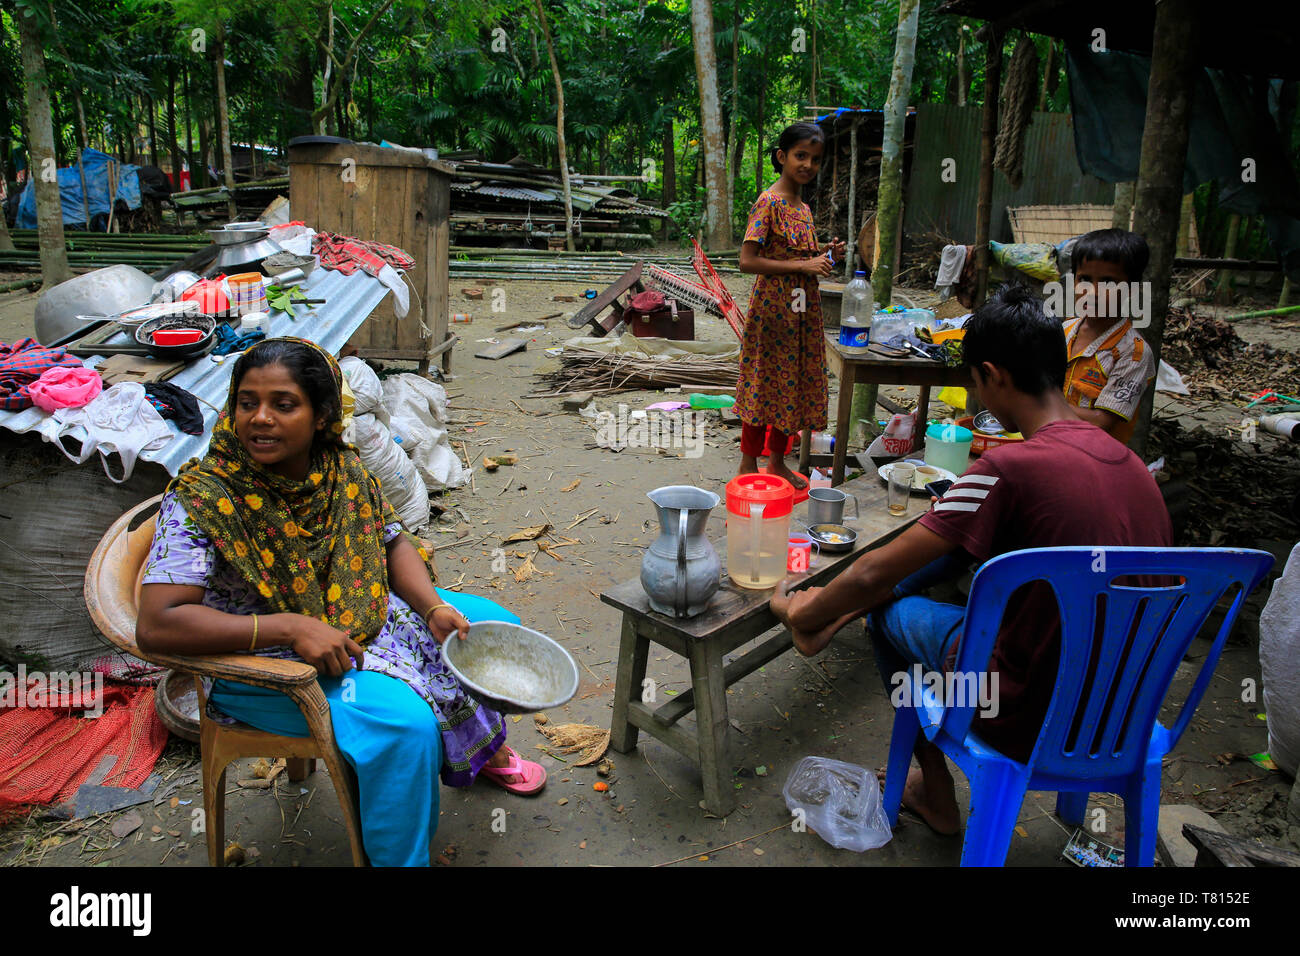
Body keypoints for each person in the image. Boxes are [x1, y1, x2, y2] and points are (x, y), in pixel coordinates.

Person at [769, 285, 1172, 836]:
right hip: (1124, 711)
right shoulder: (1132, 467)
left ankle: (934, 792)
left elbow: (870, 570)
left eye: (974, 383)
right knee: (937, 565)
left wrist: (800, 613)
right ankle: (832, 617)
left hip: (1027, 713)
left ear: (992, 375)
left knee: (888, 614)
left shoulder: (1009, 468)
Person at [135, 337, 545, 867]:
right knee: (405, 727)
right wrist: (287, 628)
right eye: (247, 402)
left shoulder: (340, 471)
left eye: (283, 404)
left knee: (491, 628)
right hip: (262, 663)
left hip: (352, 613)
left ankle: (477, 744)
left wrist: (429, 607)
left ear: (322, 414)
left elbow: (392, 539)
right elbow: (158, 625)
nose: (260, 419)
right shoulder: (206, 497)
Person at [734, 122, 846, 491]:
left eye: (815, 159)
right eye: (801, 156)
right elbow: (747, 260)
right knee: (763, 384)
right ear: (782, 157)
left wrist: (824, 255)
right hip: (771, 312)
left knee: (791, 386)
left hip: (801, 314)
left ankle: (778, 462)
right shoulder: (769, 203)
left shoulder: (804, 208)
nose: (808, 165)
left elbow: (802, 257)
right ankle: (749, 462)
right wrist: (804, 265)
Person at [1062, 228, 1155, 444]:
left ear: (1132, 288)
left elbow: (1101, 422)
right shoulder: (1063, 331)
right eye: (1084, 279)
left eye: (1109, 283)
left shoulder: (1134, 353)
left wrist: (1040, 401)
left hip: (1096, 460)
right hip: (1052, 448)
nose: (1093, 291)